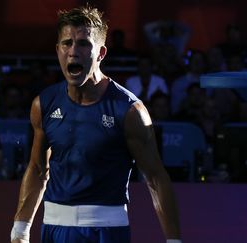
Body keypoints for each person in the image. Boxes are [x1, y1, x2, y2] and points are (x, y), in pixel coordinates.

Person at [10, 5, 181, 243]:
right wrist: (20, 229)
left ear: (101, 53)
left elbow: (155, 178)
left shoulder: (130, 111)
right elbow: (38, 169)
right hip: (54, 229)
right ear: (58, 50)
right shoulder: (44, 104)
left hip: (107, 231)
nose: (73, 52)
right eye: (67, 43)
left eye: (83, 44)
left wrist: (174, 240)